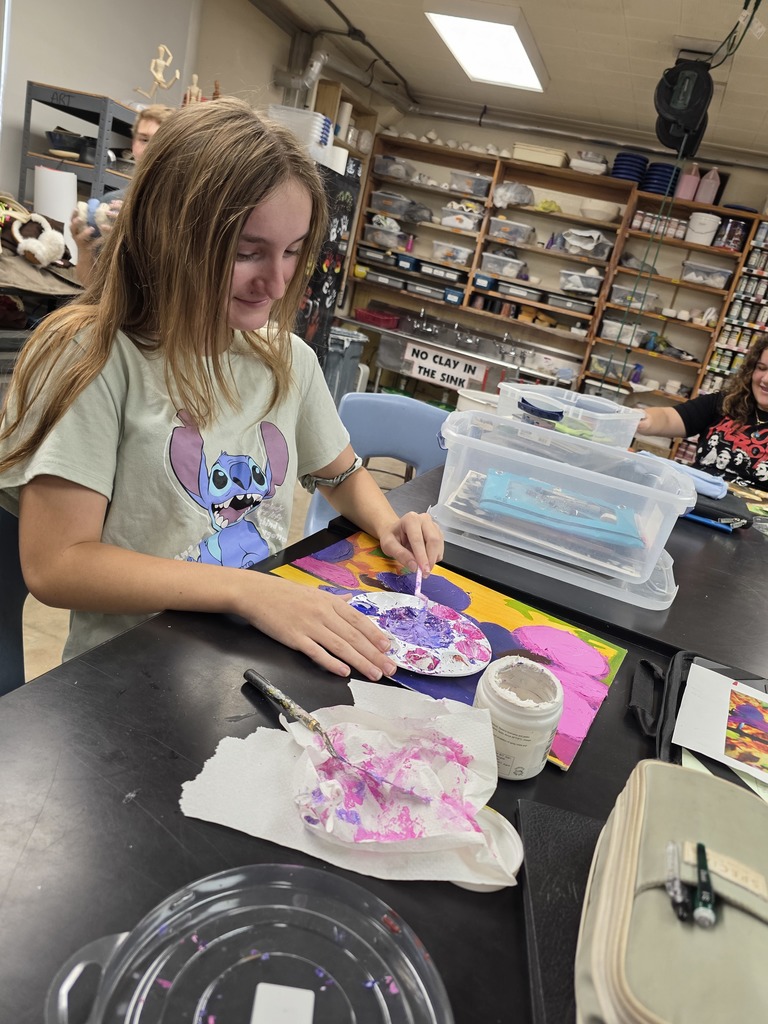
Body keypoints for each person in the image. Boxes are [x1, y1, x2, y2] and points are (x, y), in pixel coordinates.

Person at [0, 98, 443, 681]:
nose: (277, 281)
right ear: (167, 233)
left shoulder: (287, 360)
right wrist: (246, 592)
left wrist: (388, 523)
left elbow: (339, 472)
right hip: (127, 676)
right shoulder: (92, 357)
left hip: (239, 660)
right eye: (247, 252)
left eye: (291, 251)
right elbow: (58, 565)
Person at [635, 337, 768, 490]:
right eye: (761, 368)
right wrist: (646, 419)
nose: (765, 379)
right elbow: (671, 417)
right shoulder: (727, 402)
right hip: (695, 505)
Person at [69, 104, 175, 286]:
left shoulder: (184, 210)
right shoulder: (111, 205)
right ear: (133, 145)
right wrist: (84, 249)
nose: (150, 149)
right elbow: (91, 287)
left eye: (160, 140)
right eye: (144, 140)